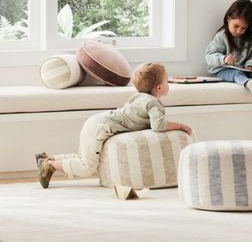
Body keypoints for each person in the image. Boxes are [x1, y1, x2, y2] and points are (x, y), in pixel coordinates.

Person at [35, 62, 192, 188]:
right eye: (167, 81)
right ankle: (51, 165)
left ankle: (48, 158)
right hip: (101, 127)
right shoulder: (154, 103)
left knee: (84, 157)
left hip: (96, 121)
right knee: (87, 167)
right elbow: (158, 125)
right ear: (159, 87)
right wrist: (180, 126)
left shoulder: (137, 97)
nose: (168, 83)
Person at [205, 0, 252, 96]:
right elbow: (209, 56)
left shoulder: (250, 39)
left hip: (242, 69)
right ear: (228, 19)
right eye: (236, 26)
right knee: (237, 74)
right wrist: (223, 59)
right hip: (221, 71)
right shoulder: (221, 36)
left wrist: (250, 65)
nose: (239, 31)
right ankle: (249, 84)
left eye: (243, 28)